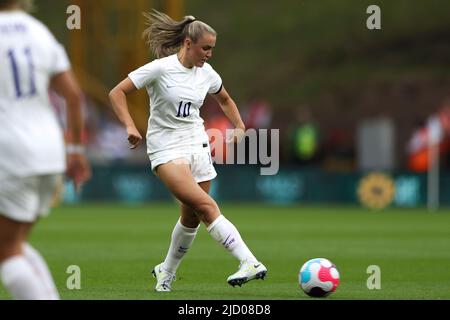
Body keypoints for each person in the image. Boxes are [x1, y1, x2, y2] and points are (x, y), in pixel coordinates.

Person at [109, 9, 267, 292]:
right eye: (205, 48)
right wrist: (130, 126)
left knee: (191, 216)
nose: (209, 54)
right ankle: (249, 261)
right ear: (187, 44)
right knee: (207, 207)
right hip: (165, 149)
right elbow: (117, 92)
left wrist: (240, 126)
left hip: (197, 144)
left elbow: (225, 98)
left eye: (212, 49)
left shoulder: (206, 73)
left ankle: (165, 271)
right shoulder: (160, 68)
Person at [0, 0, 91, 299]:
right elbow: (74, 97)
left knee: (7, 251)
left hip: (10, 151)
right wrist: (76, 150)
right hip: (50, 150)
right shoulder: (39, 32)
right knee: (17, 243)